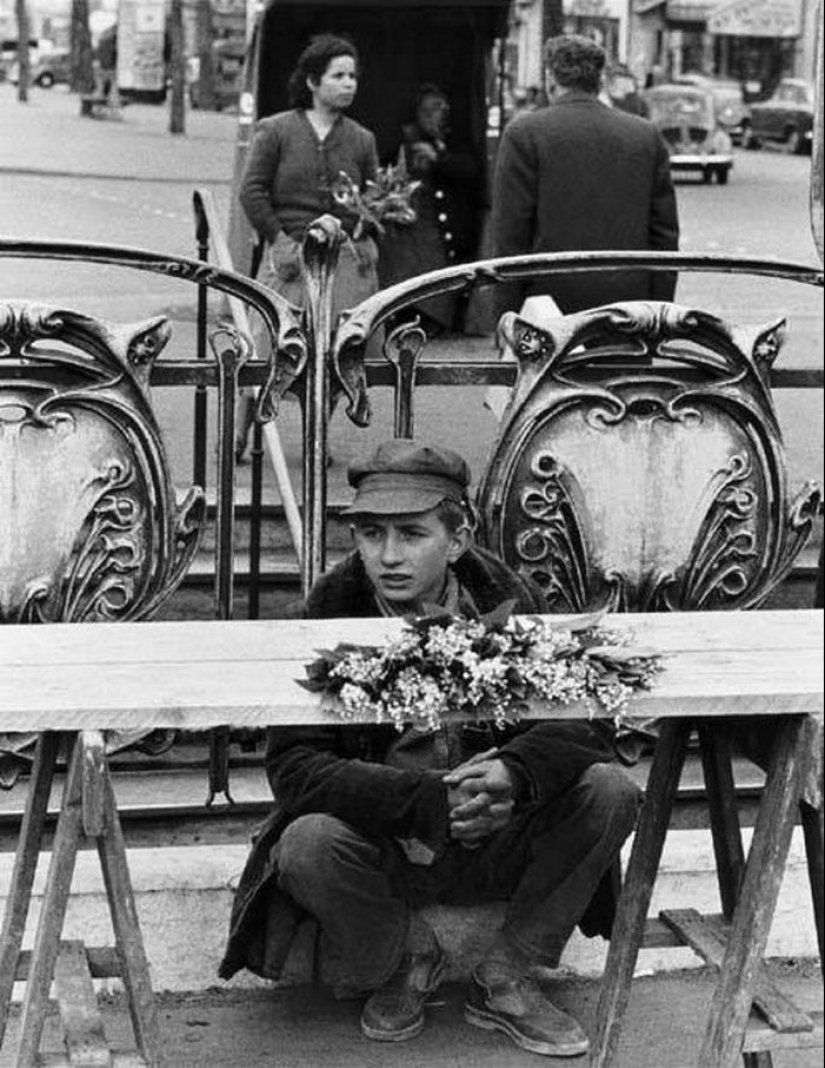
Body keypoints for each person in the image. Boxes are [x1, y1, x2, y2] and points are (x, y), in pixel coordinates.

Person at [219, 438, 642, 1058]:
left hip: (498, 834)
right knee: (307, 843)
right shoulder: (326, 614)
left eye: (411, 535)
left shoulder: (510, 600)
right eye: (370, 534)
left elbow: (588, 724)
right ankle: (406, 959)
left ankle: (508, 971)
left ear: (459, 536)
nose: (387, 557)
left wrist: (513, 771)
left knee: (611, 790)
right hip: (390, 849)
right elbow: (295, 768)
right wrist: (422, 802)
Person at [235, 34, 380, 460]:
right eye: (338, 76)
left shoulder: (361, 139)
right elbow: (253, 191)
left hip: (342, 264)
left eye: (353, 76)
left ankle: (318, 438)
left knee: (336, 351)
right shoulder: (276, 130)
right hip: (290, 260)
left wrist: (368, 233)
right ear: (313, 82)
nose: (349, 84)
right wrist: (278, 239)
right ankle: (245, 428)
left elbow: (372, 199)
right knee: (270, 345)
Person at [492, 34, 679, 316]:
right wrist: (659, 310)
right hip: (629, 307)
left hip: (547, 307)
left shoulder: (525, 133)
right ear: (600, 80)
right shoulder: (644, 136)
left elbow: (512, 233)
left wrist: (506, 315)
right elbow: (664, 236)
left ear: (550, 79)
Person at [379, 84, 483, 334]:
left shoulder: (455, 141)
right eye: (429, 110)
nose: (436, 115)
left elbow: (471, 170)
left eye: (440, 108)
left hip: (447, 232)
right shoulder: (402, 142)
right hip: (412, 230)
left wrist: (439, 159)